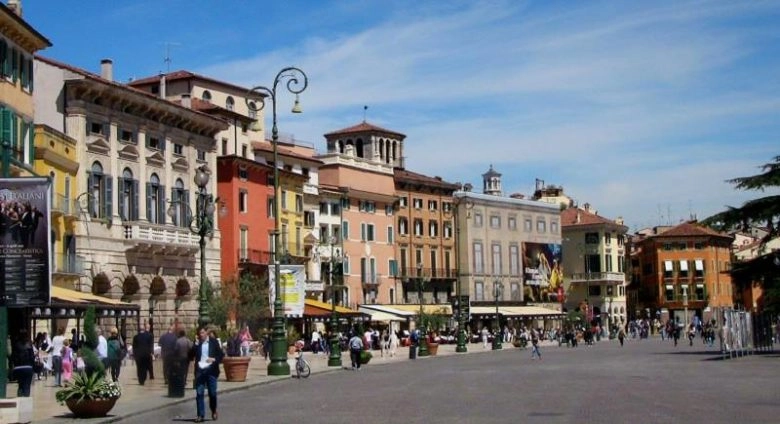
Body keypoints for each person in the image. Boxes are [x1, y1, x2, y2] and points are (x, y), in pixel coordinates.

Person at [191, 326, 224, 422]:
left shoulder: (214, 342)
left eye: (202, 333)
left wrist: (214, 359)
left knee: (212, 393)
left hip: (211, 371)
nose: (201, 335)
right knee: (199, 393)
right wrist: (195, 345)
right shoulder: (197, 343)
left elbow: (221, 355)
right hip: (200, 371)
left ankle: (213, 410)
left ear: (206, 333)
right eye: (199, 333)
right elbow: (191, 355)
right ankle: (200, 415)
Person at [11, 329, 35, 397]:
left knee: (20, 385)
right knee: (27, 386)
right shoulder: (29, 345)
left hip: (18, 368)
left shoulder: (16, 345)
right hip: (28, 368)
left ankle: (20, 398)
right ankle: (26, 400)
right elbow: (32, 357)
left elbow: (13, 356)